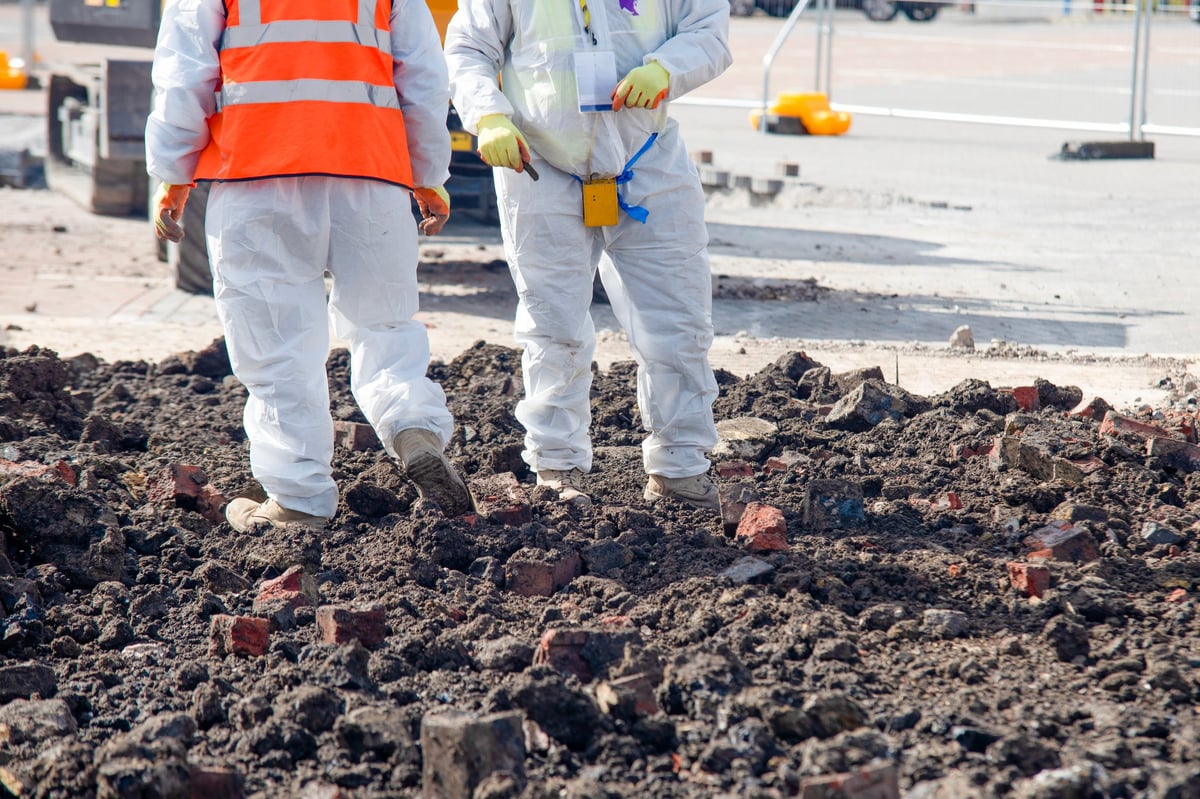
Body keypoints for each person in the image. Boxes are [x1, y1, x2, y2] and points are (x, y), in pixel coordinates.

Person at [145, 0, 473, 531]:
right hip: (372, 172)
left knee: (277, 345)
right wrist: (428, 171)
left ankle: (297, 500)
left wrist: (173, 171)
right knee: (384, 323)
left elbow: (185, 75)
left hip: (256, 174)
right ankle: (414, 427)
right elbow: (424, 75)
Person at [444, 0, 731, 510]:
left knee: (678, 321)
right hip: (541, 167)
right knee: (553, 325)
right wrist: (487, 115)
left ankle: (680, 467)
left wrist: (666, 67)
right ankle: (557, 466)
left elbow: (709, 27)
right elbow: (469, 45)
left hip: (647, 160)